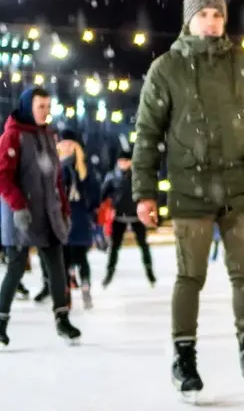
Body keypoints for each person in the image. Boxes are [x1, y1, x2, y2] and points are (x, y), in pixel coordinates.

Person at [132, 0, 244, 400]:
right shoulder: (166, 69)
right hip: (190, 186)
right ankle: (184, 358)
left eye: (218, 15)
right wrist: (144, 191)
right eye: (204, 15)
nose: (212, 22)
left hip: (240, 185)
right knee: (190, 276)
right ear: (189, 20)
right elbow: (147, 133)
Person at [0, 87, 81, 346]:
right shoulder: (12, 136)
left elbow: (56, 178)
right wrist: (18, 206)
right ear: (28, 107)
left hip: (48, 212)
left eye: (48, 106)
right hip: (21, 214)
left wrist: (64, 209)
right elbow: (2, 176)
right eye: (41, 107)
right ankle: (0, 322)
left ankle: (62, 319)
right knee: (15, 268)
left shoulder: (48, 134)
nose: (46, 112)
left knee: (57, 266)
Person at [100, 149, 156, 286]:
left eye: (125, 161)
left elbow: (147, 193)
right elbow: (102, 195)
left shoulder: (138, 176)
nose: (123, 163)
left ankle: (150, 272)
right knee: (114, 247)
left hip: (137, 216)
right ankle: (109, 272)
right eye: (120, 161)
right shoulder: (112, 176)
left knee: (144, 245)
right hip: (118, 217)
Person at [58, 132, 100, 310]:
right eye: (64, 143)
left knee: (81, 256)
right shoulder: (54, 166)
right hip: (61, 217)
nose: (67, 147)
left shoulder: (84, 167)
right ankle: (66, 293)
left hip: (80, 216)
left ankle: (85, 287)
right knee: (64, 258)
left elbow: (94, 191)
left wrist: (92, 208)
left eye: (71, 144)